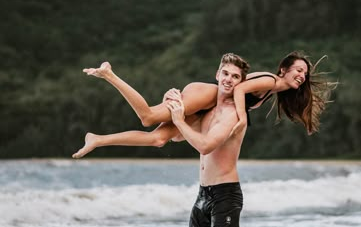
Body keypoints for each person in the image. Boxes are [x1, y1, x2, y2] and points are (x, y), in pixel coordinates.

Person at [72, 51, 334, 158]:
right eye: (298, 69)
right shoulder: (270, 80)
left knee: (158, 140)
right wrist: (242, 118)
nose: (301, 75)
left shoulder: (275, 90)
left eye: (304, 73)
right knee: (148, 117)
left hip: (211, 106)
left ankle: (98, 139)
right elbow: (240, 87)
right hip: (208, 95)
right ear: (283, 69)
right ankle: (110, 75)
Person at [165, 54, 249, 227]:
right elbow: (177, 137)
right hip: (204, 192)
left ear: (241, 83)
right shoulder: (208, 111)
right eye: (226, 73)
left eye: (236, 76)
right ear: (217, 75)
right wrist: (172, 103)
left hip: (226, 194)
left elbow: (205, 145)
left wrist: (178, 120)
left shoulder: (233, 114)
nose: (229, 79)